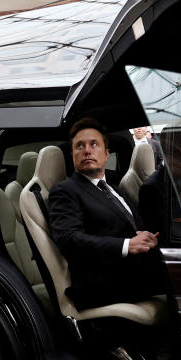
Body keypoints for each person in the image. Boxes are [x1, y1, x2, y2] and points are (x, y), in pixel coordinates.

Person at [49, 118, 167, 310]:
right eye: (80, 146)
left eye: (94, 144)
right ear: (72, 155)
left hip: (135, 270)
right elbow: (69, 239)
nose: (87, 150)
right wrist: (128, 244)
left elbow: (116, 228)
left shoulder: (115, 189)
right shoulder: (64, 191)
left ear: (106, 155)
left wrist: (142, 238)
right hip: (103, 283)